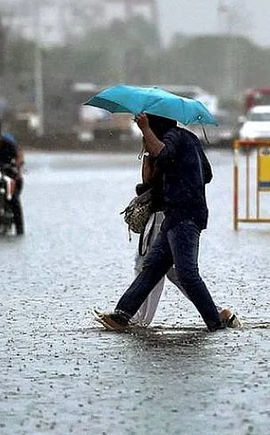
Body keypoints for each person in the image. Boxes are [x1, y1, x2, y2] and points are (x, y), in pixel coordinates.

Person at [95, 113, 228, 331]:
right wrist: (180, 172)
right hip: (175, 216)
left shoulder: (174, 136)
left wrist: (145, 129)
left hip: (185, 216)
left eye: (150, 126)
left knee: (186, 273)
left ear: (156, 124)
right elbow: (207, 174)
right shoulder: (189, 139)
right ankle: (121, 316)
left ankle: (215, 322)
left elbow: (163, 154)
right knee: (152, 268)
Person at [130, 150, 240, 328]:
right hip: (173, 213)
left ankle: (138, 318)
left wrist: (148, 157)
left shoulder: (161, 146)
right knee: (172, 270)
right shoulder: (179, 147)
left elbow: (150, 179)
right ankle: (217, 312)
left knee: (148, 265)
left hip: (163, 214)